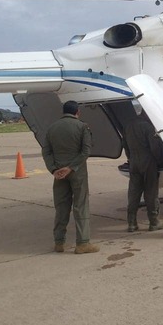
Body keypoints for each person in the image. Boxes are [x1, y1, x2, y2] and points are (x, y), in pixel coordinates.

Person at [41, 101, 99, 254]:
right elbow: (85, 152)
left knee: (61, 207)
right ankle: (83, 243)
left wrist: (54, 169)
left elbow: (46, 152)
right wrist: (71, 168)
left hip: (59, 174)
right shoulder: (82, 126)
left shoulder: (52, 128)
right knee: (80, 206)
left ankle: (59, 242)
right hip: (77, 172)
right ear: (77, 112)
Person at [124, 110, 163, 232]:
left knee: (134, 193)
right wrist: (160, 161)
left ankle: (131, 223)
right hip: (148, 162)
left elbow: (125, 144)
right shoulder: (148, 127)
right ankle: (153, 221)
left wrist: (131, 158)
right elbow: (154, 148)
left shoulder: (129, 125)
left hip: (134, 162)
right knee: (151, 192)